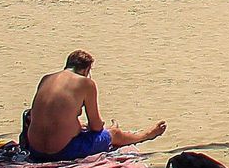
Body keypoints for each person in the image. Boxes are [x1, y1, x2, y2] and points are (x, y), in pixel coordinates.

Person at [21, 50, 165, 162]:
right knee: (113, 134)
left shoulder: (46, 78)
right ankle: (146, 135)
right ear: (86, 69)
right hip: (61, 152)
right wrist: (104, 128)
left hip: (36, 150)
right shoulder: (86, 83)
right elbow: (96, 126)